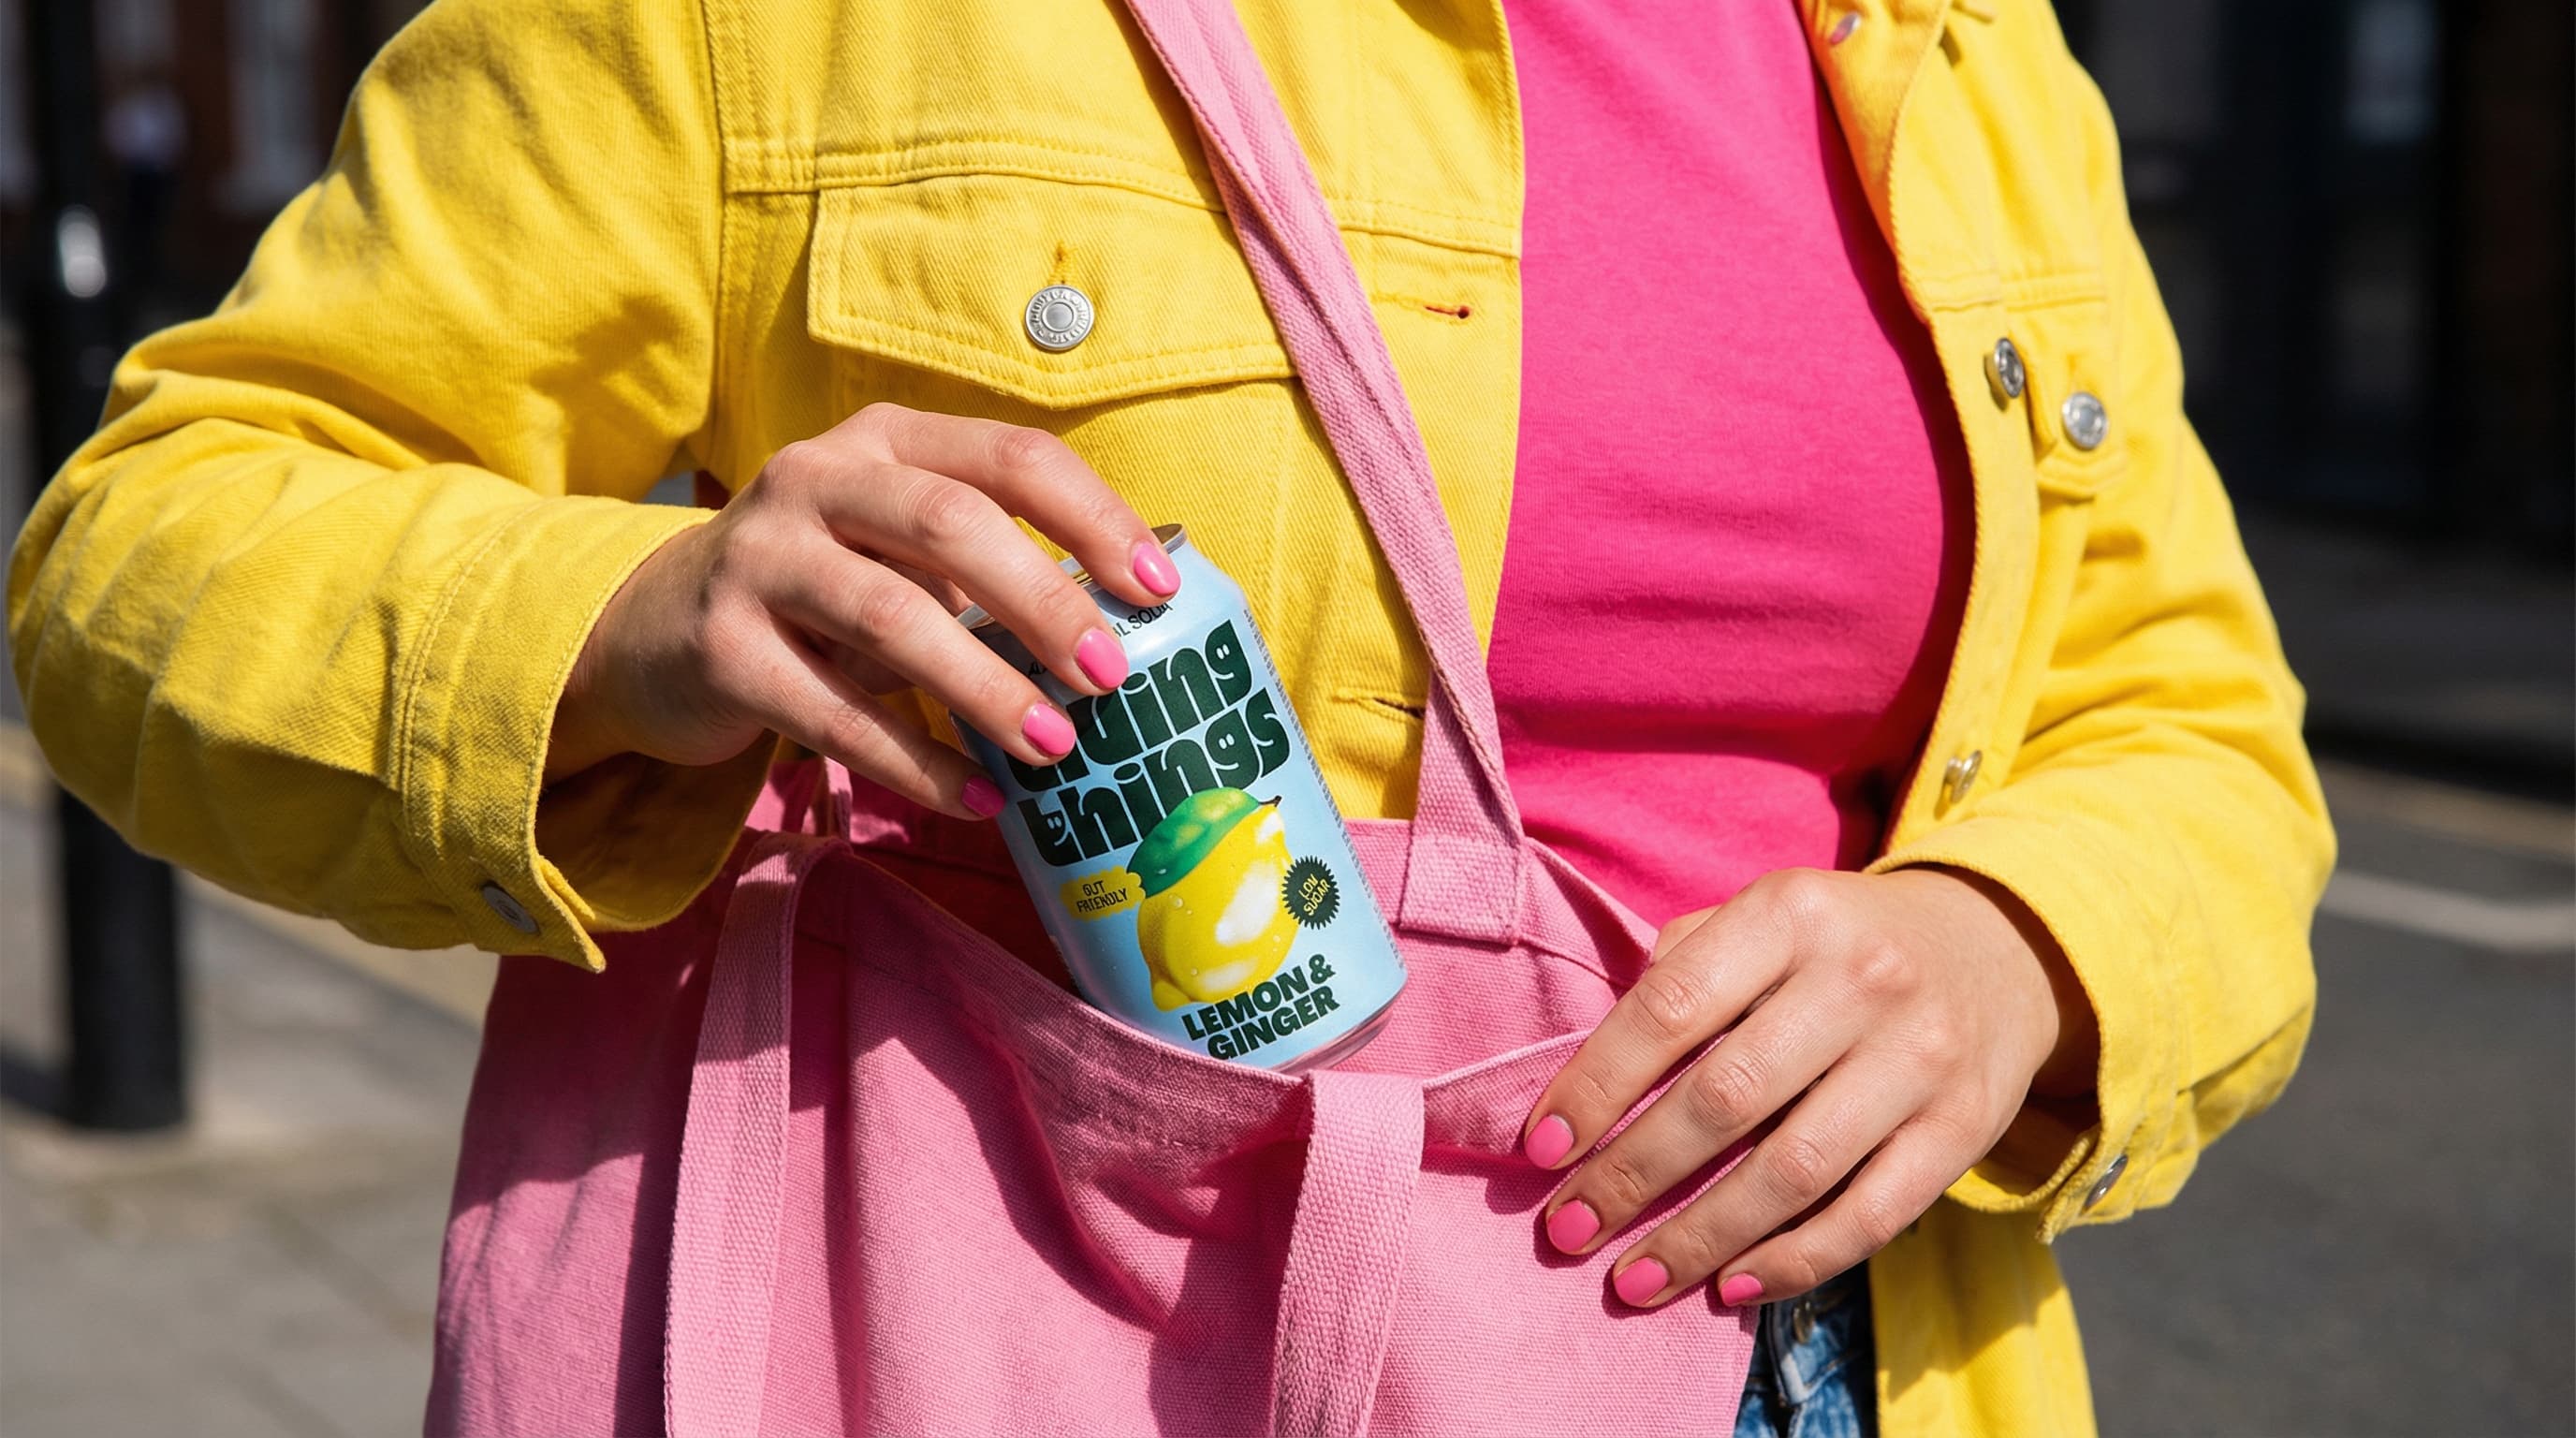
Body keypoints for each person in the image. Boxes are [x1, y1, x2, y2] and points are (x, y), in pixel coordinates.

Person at [6, 1, 2332, 1434]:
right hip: (972, 1354)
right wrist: (635, 618)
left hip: (1800, 1369)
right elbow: (145, 546)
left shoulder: (1955, 49)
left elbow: (2186, 714)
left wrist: (2015, 950)